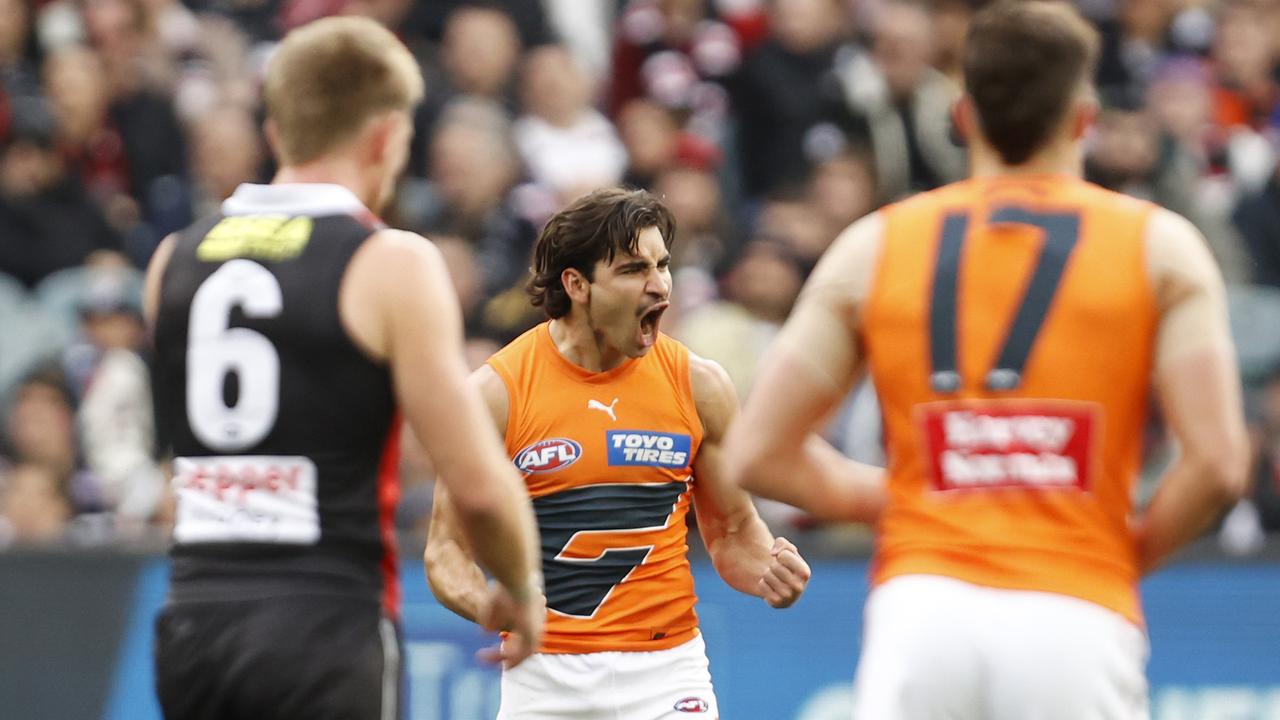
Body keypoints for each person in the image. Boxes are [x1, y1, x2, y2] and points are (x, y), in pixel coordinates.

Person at [725, 2, 1250, 719]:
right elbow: (1220, 464)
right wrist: (1122, 550)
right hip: (1073, 603)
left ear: (964, 116)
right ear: (1084, 118)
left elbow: (758, 452)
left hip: (923, 607)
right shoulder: (1160, 246)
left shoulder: (875, 245)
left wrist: (917, 492)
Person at [144, 17, 544, 720]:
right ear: (386, 136)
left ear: (275, 132)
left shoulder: (172, 259)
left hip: (193, 622)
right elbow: (478, 487)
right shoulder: (388, 261)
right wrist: (522, 588)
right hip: (325, 621)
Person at [424, 187, 812, 719]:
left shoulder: (699, 385)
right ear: (576, 284)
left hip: (667, 673)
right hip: (545, 678)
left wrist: (770, 571)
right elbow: (446, 551)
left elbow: (732, 530)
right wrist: (489, 604)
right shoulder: (496, 394)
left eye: (663, 265)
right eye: (633, 270)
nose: (659, 287)